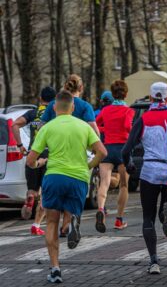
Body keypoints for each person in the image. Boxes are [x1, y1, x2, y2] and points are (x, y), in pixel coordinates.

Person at [26, 91, 107, 283]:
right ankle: (72, 223)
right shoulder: (83, 126)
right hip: (78, 178)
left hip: (54, 177)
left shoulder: (47, 127)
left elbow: (31, 160)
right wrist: (88, 165)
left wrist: (39, 164)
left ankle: (55, 269)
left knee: (51, 222)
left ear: (54, 108)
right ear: (72, 107)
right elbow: (102, 152)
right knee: (70, 211)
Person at [122, 82, 167, 274]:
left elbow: (126, 149)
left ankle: (154, 261)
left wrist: (129, 165)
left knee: (148, 218)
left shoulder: (144, 119)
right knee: (166, 213)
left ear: (150, 98)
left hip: (150, 170)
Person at [12, 86, 57, 235]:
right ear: (54, 100)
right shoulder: (55, 114)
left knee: (32, 190)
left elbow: (15, 125)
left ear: (40, 98)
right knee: (46, 193)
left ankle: (30, 197)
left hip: (32, 154)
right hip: (49, 155)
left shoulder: (32, 113)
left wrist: (20, 146)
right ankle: (36, 225)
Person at [94, 80, 134, 232]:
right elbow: (128, 127)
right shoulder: (129, 111)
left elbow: (95, 125)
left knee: (104, 182)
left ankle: (101, 209)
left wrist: (105, 129)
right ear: (126, 94)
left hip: (108, 148)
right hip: (123, 149)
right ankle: (119, 219)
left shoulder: (105, 110)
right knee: (123, 185)